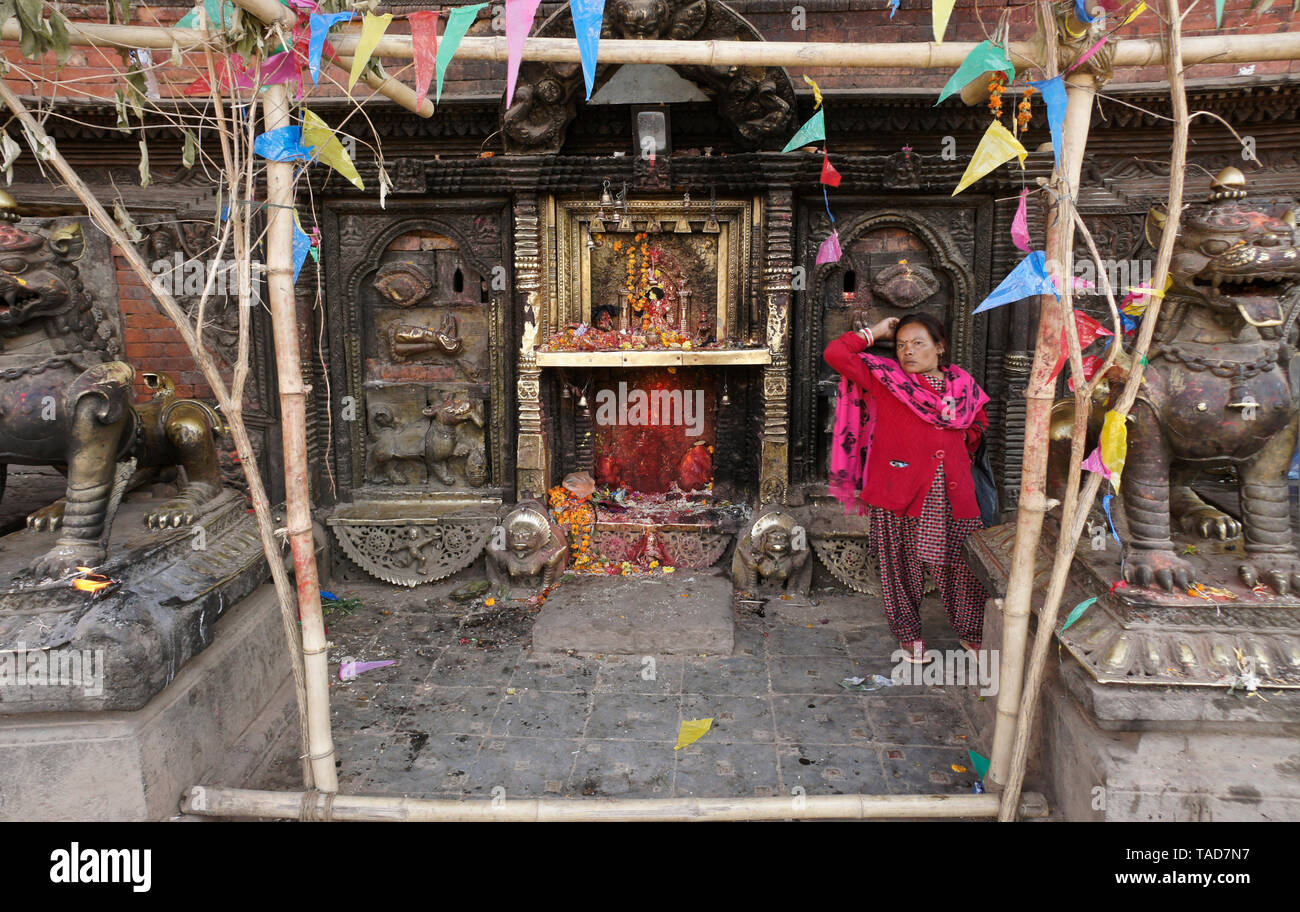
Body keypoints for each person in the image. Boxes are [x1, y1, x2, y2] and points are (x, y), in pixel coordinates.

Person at [823, 313, 991, 663]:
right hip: (897, 488)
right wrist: (875, 332)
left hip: (953, 492)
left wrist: (954, 444)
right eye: (901, 345)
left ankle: (972, 634)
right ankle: (909, 636)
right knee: (899, 565)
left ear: (939, 347)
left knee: (961, 566)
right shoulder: (887, 379)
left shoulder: (963, 385)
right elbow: (837, 354)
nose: (907, 352)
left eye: (918, 343)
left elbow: (978, 426)